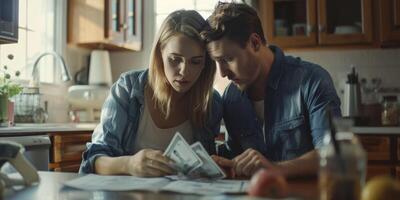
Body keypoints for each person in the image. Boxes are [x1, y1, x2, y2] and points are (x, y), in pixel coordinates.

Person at [201, 2, 341, 178]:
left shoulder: (312, 81)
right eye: (217, 62)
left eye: (228, 59)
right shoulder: (231, 97)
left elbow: (333, 154)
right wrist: (221, 163)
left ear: (255, 43)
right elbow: (236, 157)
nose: (222, 73)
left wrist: (274, 169)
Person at [79, 10, 222, 177]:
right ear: (160, 54)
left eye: (196, 61)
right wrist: (129, 164)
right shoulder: (128, 89)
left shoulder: (212, 103)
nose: (185, 72)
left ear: (206, 62)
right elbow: (92, 161)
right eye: (175, 59)